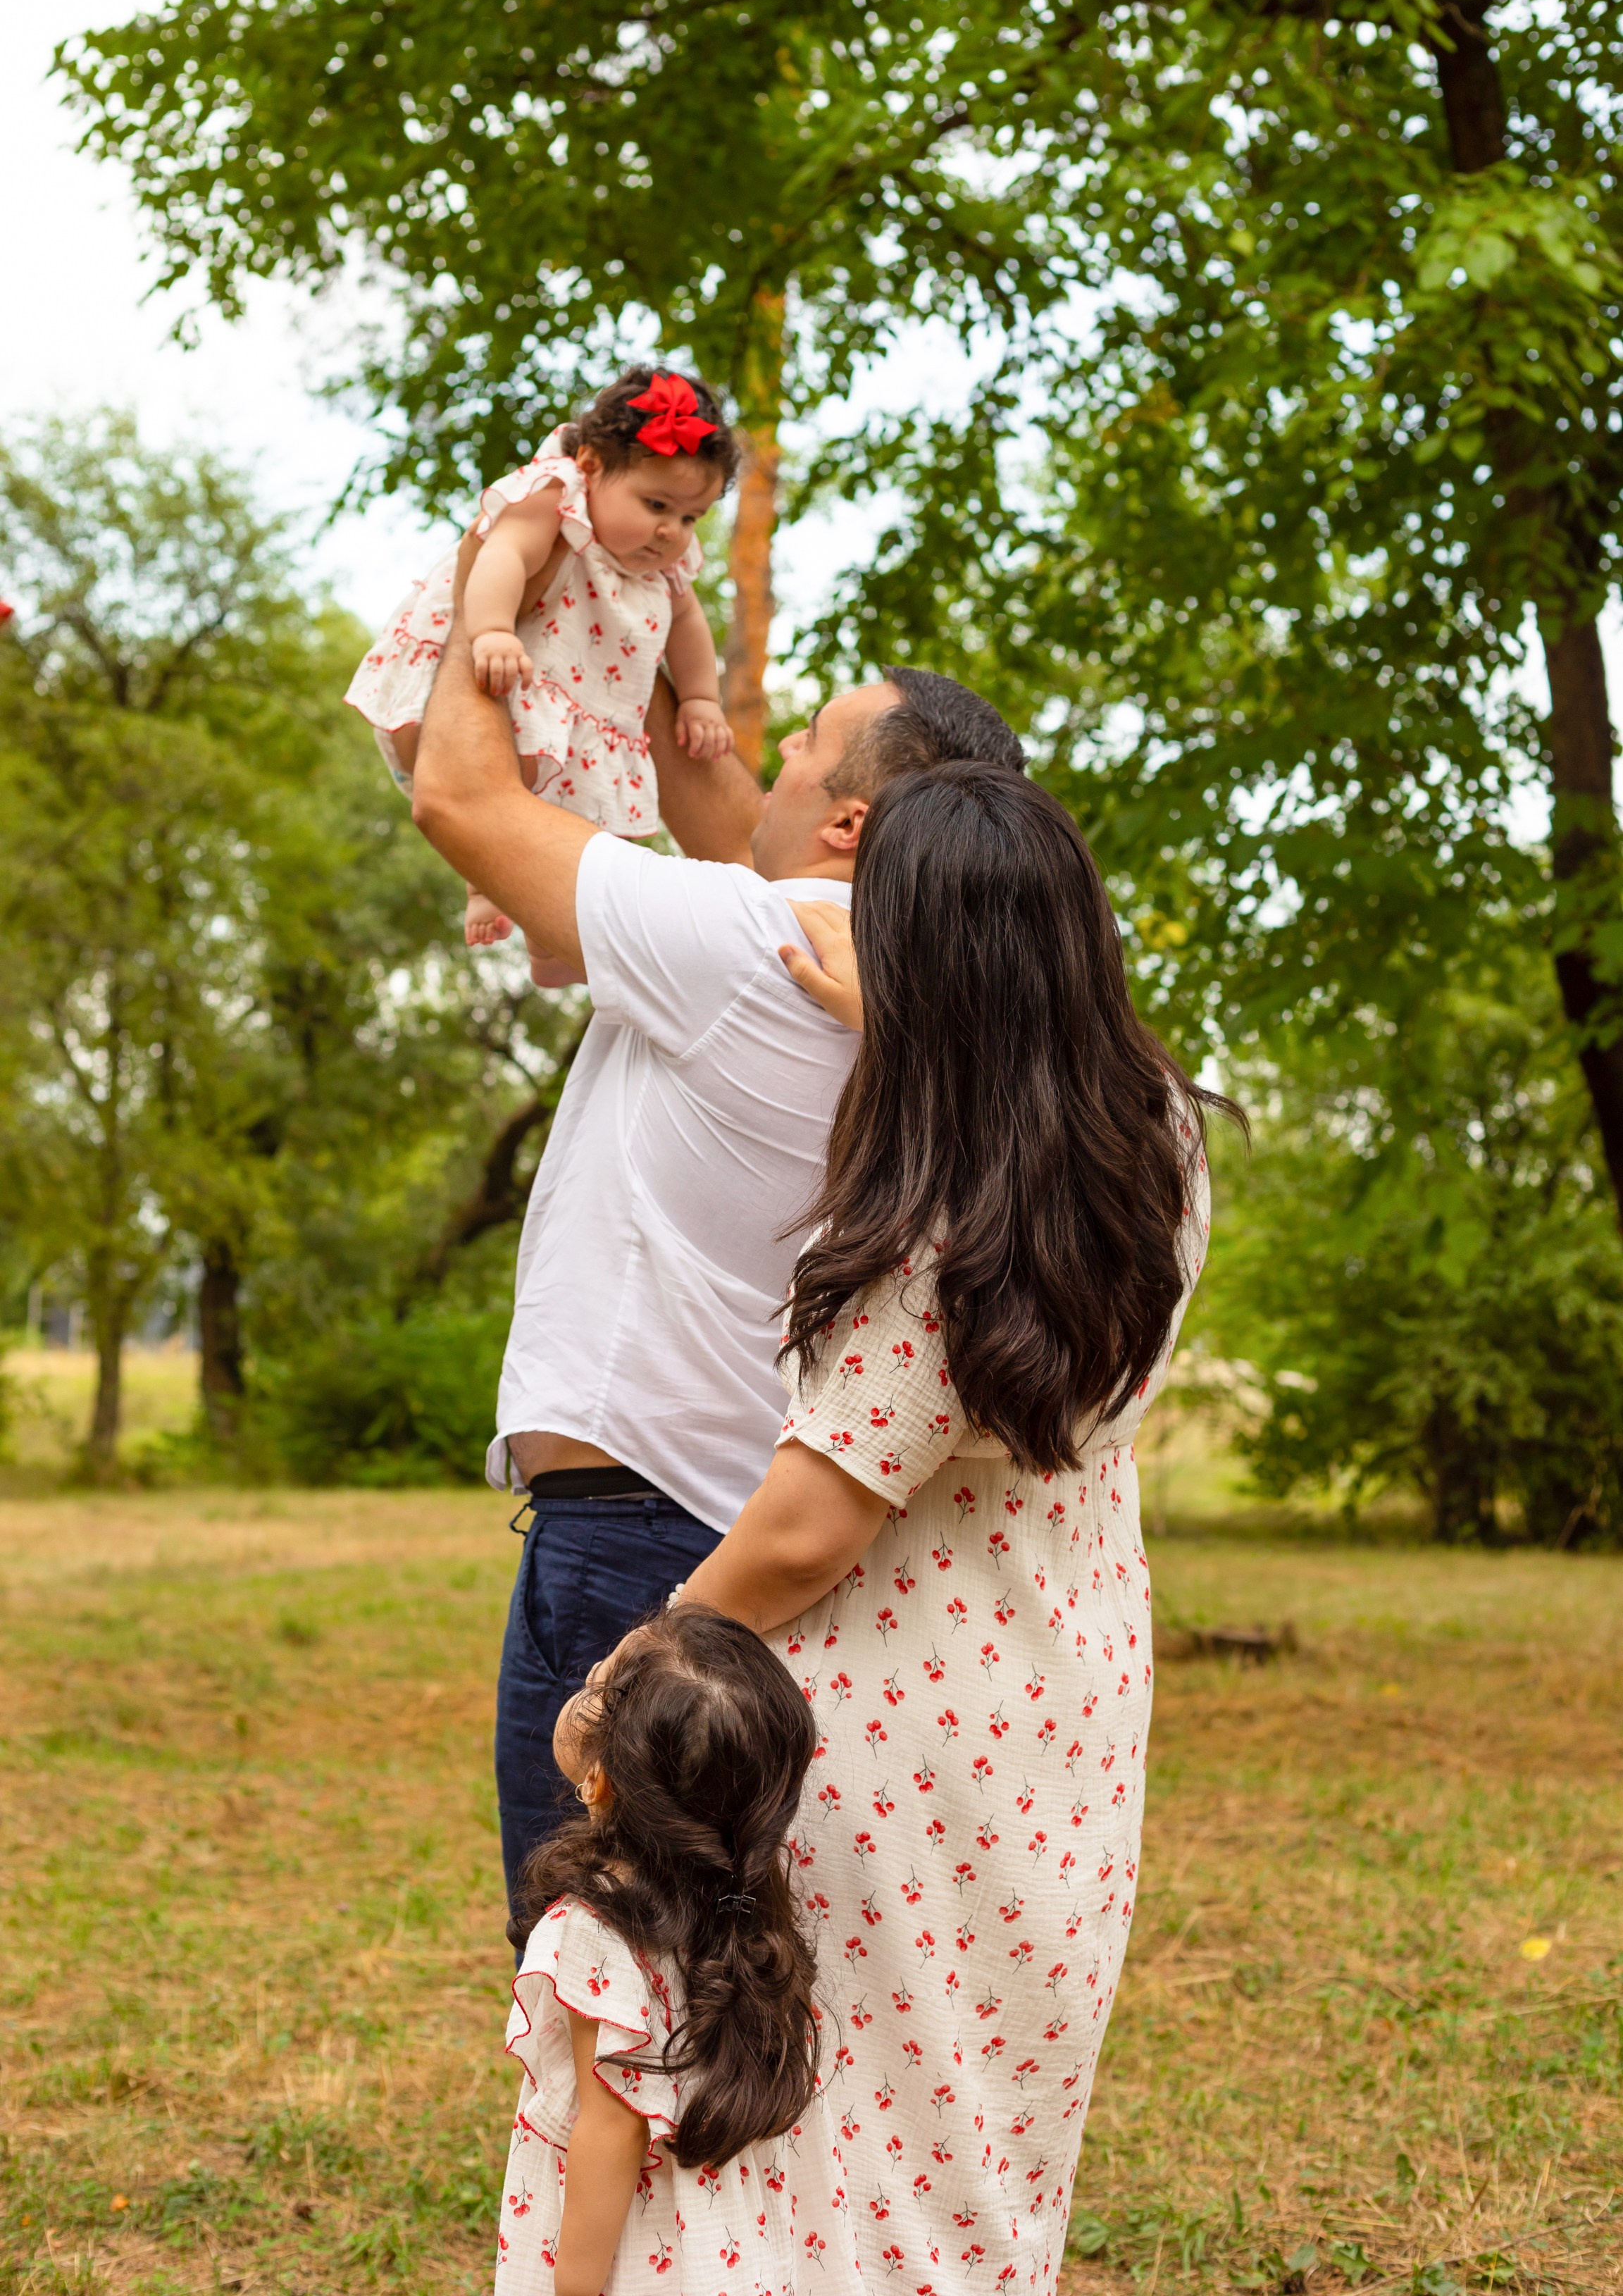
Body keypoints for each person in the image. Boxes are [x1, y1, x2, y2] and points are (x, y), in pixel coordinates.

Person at [664, 762, 1237, 2296]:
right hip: (1063, 1697)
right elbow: (1012, 1082)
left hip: (899, 1747)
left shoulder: (940, 1244)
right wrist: (901, 1027)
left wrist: (635, 1668)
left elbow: (799, 1535)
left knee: (858, 2146)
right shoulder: (1158, 1144)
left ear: (929, 977)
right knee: (989, 2129)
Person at [407, 612, 1026, 1930]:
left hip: (638, 1531)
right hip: (758, 1517)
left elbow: (457, 795)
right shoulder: (923, 982)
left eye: (799, 742)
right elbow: (732, 821)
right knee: (710, 1945)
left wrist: (492, 597)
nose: (770, 754)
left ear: (849, 823)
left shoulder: (748, 942)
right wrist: (649, 628)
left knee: (596, 1946)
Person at [497, 1603, 859, 2296]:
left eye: (598, 1687)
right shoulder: (751, 1896)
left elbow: (613, 2130)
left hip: (650, 2247)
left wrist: (572, 2287)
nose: (587, 1688)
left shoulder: (590, 1930)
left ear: (600, 1778)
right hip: (738, 2236)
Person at [347, 364, 740, 976]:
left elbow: (688, 625)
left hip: (592, 714)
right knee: (505, 776)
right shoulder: (554, 498)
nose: (671, 531)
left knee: (600, 834)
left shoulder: (665, 560)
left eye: (691, 517)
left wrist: (699, 700)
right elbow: (500, 555)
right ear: (590, 465)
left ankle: (556, 938)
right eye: (656, 504)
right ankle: (485, 882)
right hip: (514, 676)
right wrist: (494, 631)